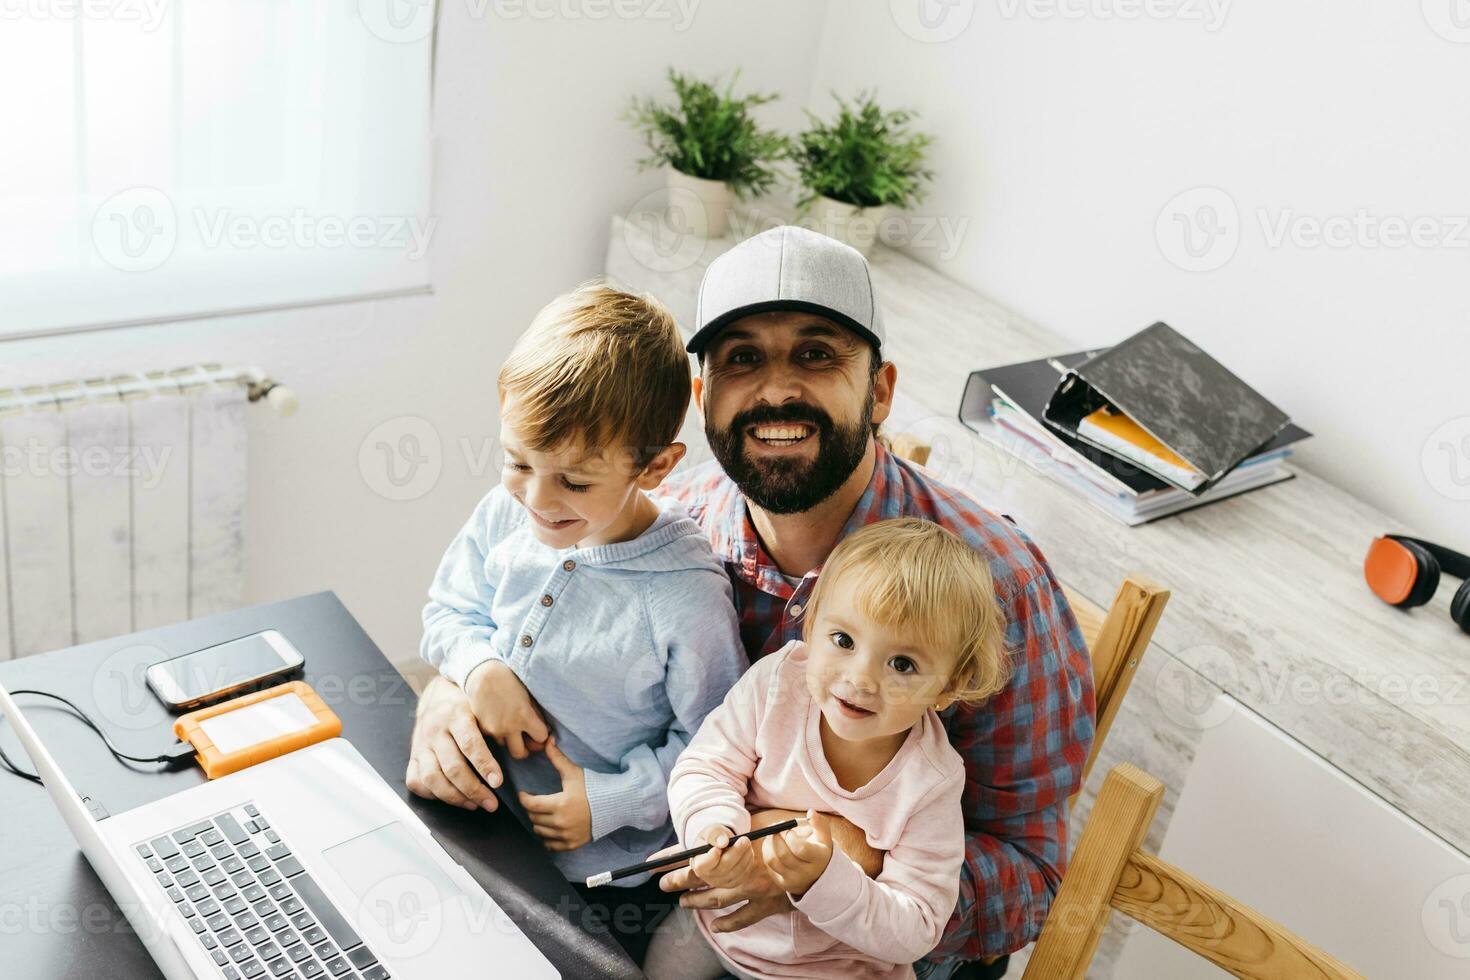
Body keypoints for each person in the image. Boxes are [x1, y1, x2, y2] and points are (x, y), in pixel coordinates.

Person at [408, 226, 1095, 977]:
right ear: (703, 399)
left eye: (817, 354)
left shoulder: (997, 583)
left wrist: (842, 866)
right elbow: (510, 605)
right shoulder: (667, 524)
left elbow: (1031, 874)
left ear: (881, 392)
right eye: (742, 359)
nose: (775, 390)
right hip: (669, 915)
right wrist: (452, 690)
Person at [412, 283, 747, 962]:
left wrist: (610, 801)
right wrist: (480, 669)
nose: (536, 498)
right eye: (518, 462)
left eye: (574, 482)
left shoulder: (686, 600)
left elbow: (718, 749)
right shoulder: (507, 513)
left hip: (599, 872)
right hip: (483, 812)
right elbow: (448, 607)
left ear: (654, 467)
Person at [642, 518, 1011, 980]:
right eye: (843, 640)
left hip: (838, 969)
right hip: (717, 930)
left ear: (948, 686)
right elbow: (706, 766)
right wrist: (712, 827)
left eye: (902, 663)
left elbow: (918, 926)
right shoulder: (777, 685)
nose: (860, 678)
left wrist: (824, 880)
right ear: (810, 626)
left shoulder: (930, 781)